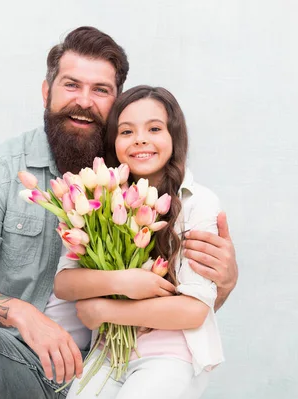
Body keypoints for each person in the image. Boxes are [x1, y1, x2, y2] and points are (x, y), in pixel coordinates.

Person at [0, 27, 238, 399]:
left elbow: (185, 298)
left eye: (100, 90)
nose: (84, 101)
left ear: (117, 101)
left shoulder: (137, 174)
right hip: (23, 360)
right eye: (72, 85)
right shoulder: (4, 167)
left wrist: (225, 284)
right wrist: (23, 314)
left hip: (114, 362)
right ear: (46, 92)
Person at [55, 85, 224, 399]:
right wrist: (125, 281)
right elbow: (64, 284)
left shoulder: (198, 202)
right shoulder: (98, 201)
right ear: (113, 142)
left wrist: (104, 309)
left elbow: (193, 311)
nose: (140, 139)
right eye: (127, 131)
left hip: (170, 356)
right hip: (107, 354)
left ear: (175, 137)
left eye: (155, 129)